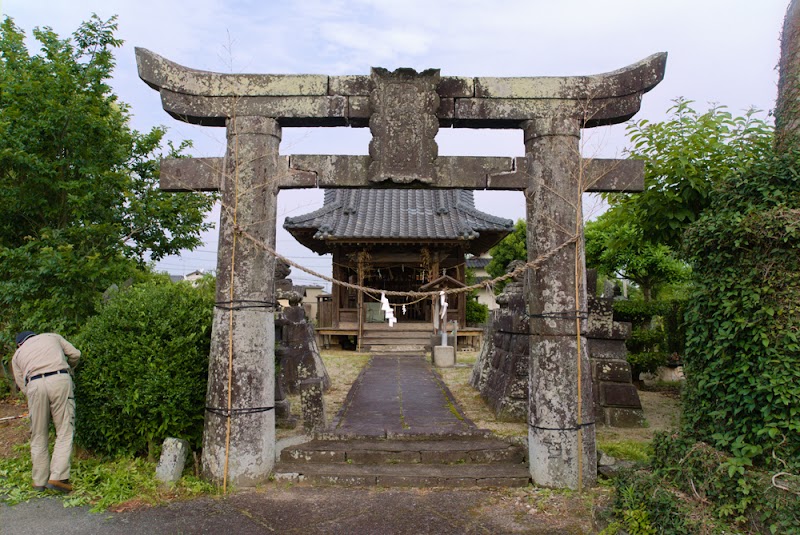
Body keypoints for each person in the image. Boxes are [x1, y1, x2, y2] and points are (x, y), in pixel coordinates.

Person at [11, 331, 81, 493]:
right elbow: (75, 354)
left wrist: (33, 394)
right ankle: (58, 477)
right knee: (64, 430)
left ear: (20, 344)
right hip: (59, 379)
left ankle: (39, 481)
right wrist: (69, 368)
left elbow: (21, 383)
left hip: (34, 385)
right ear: (35, 336)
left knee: (38, 434)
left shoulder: (17, 354)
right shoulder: (52, 337)